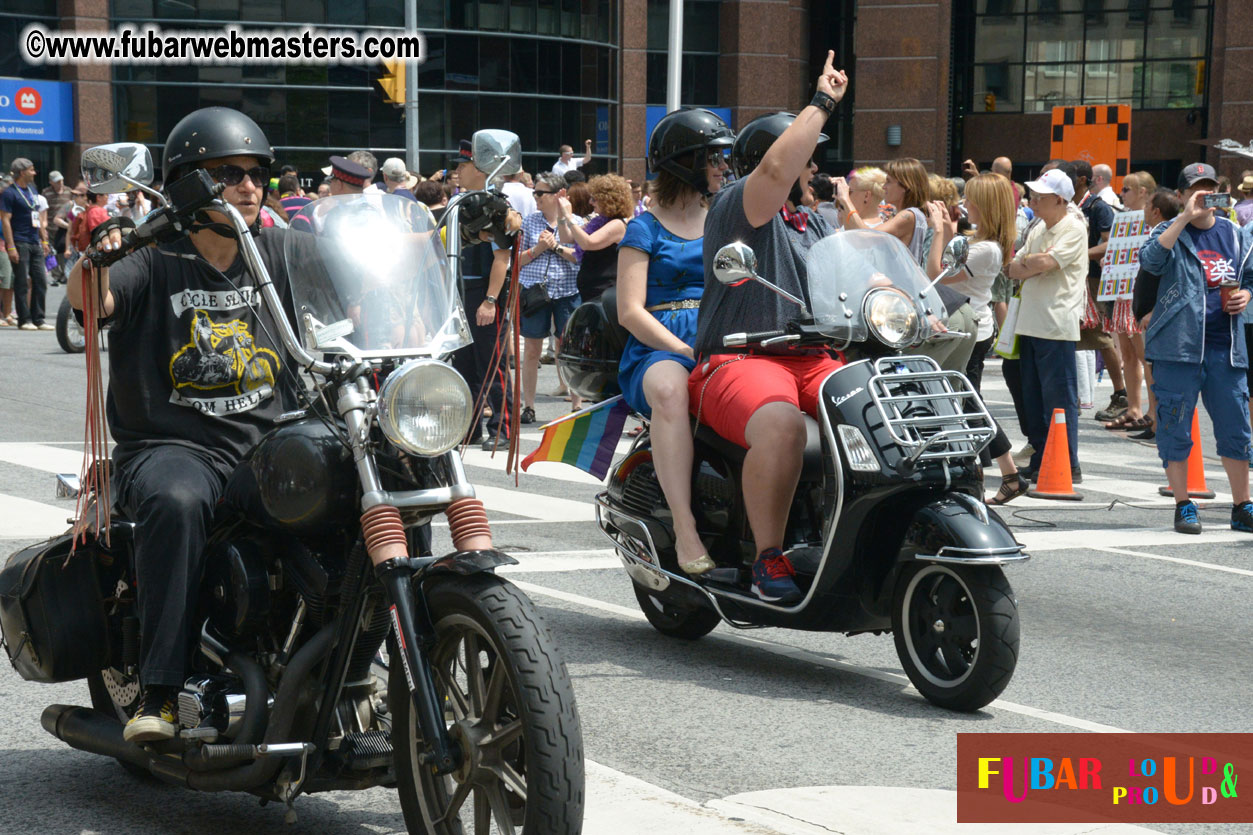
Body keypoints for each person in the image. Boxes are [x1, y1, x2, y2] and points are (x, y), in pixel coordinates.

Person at [65, 107, 295, 743]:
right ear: (190, 183)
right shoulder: (153, 256)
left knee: (360, 476)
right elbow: (92, 302)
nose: (250, 187)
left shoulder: (280, 249)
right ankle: (161, 690)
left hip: (266, 446)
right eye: (230, 173)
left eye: (259, 175)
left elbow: (371, 273)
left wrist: (463, 229)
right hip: (172, 445)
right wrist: (98, 257)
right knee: (176, 499)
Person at [689, 51, 848, 604]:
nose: (815, 172)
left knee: (880, 406)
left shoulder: (815, 223)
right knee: (781, 426)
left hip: (812, 357)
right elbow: (779, 171)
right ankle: (768, 556)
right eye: (809, 160)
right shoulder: (740, 206)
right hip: (740, 358)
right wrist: (823, 101)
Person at [617, 109, 733, 574]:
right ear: (687, 163)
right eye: (714, 159)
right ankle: (685, 530)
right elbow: (630, 311)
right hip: (658, 348)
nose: (724, 168)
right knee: (670, 390)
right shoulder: (643, 227)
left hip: (721, 337)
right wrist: (684, 349)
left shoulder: (725, 220)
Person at [1138, 163, 1253, 534]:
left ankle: (1242, 504)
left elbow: (1250, 276)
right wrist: (1184, 219)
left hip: (1226, 346)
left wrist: (1246, 295)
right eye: (1195, 190)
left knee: (1236, 427)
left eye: (1210, 189)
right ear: (1182, 195)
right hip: (1178, 348)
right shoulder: (1167, 231)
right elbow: (1151, 261)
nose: (1205, 197)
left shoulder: (1236, 234)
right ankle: (1183, 503)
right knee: (1174, 425)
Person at [1007, 168, 1089, 483]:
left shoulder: (1073, 227)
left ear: (1059, 200)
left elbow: (1041, 263)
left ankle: (1067, 461)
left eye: (1040, 197)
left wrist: (1032, 262)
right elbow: (1014, 268)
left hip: (1055, 323)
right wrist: (1032, 262)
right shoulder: (1040, 226)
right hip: (1030, 322)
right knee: (1034, 397)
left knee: (1058, 398)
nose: (1033, 201)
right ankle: (1043, 457)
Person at [443, 139, 518, 449]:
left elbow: (502, 258)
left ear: (478, 167)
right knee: (464, 364)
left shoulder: (495, 204)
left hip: (485, 292)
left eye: (462, 165)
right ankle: (469, 426)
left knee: (491, 364)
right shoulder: (459, 203)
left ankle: (503, 427)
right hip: (460, 291)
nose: (457, 171)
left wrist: (490, 300)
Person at [516, 172, 583, 421]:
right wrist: (538, 249)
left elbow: (580, 256)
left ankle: (576, 404)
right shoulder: (529, 222)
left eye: (540, 193)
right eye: (534, 192)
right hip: (535, 291)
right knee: (532, 349)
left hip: (567, 291)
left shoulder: (576, 221)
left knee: (566, 348)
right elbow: (516, 262)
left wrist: (555, 246)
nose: (536, 197)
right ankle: (529, 406)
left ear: (558, 195)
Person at [1102, 170, 1158, 433]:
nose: (1121, 193)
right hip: (1123, 289)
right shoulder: (1123, 220)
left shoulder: (1154, 219)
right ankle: (1134, 407)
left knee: (1145, 355)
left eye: (1126, 189)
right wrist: (1110, 261)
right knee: (1127, 353)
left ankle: (1152, 410)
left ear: (1143, 192)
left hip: (1140, 293)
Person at [1071, 160, 1126, 422]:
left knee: (1101, 338)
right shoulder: (1071, 207)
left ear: (1081, 180)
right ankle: (1071, 394)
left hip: (1093, 280)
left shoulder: (1099, 207)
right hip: (1076, 279)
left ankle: (1121, 394)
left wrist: (1076, 255)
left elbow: (1110, 245)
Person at [558, 173, 633, 303]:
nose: (590, 202)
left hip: (604, 293)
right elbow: (566, 238)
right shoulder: (597, 221)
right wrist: (561, 215)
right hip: (590, 291)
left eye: (594, 198)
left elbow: (588, 243)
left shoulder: (617, 224)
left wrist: (569, 217)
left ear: (608, 200)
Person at [2, 158, 53, 331]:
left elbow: (37, 216)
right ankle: (24, 320)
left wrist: (44, 239)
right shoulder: (9, 193)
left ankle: (38, 319)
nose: (35, 173)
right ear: (22, 172)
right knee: (22, 281)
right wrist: (10, 246)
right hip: (19, 241)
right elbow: (6, 221)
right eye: (32, 170)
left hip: (34, 241)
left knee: (40, 279)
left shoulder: (31, 190)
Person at [43, 170, 71, 284]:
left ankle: (64, 273)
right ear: (51, 182)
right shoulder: (46, 192)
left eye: (61, 181)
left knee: (62, 251)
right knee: (50, 252)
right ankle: (55, 275)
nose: (60, 183)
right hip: (50, 227)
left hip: (63, 228)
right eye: (57, 181)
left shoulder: (68, 191)